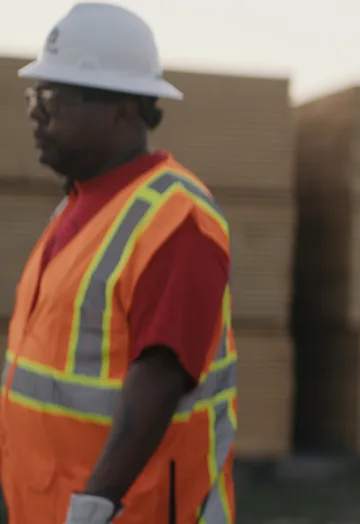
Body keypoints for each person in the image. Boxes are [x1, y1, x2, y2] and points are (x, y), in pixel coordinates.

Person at [0, 3, 237, 523]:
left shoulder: (178, 220)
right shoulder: (78, 205)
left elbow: (160, 372)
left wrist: (96, 504)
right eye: (34, 96)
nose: (36, 112)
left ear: (121, 109)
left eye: (53, 97)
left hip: (126, 511)